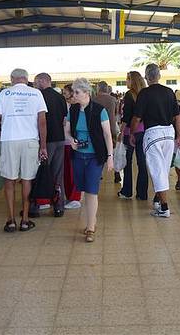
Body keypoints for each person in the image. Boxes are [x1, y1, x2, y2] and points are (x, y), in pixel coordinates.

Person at [0, 68, 48, 233]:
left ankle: (10, 220)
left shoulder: (5, 94)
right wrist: (43, 146)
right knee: (27, 179)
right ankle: (25, 220)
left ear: (12, 79)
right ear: (26, 79)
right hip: (30, 140)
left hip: (9, 140)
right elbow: (42, 122)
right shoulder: (36, 93)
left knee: (9, 180)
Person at [65, 78, 114, 242]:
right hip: (78, 155)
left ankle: (91, 226)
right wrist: (71, 139)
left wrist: (110, 157)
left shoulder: (99, 110)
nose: (74, 95)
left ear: (86, 93)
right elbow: (66, 130)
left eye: (77, 92)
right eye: (74, 92)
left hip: (95, 156)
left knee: (92, 191)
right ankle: (92, 221)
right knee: (84, 190)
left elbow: (107, 135)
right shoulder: (72, 110)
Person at [131, 64, 180, 218]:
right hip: (169, 133)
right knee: (164, 168)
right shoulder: (169, 92)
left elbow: (137, 118)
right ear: (159, 76)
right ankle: (158, 199)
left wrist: (132, 132)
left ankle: (164, 207)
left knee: (157, 169)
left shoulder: (144, 94)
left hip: (153, 134)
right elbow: (177, 116)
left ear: (146, 77)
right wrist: (179, 135)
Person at [34, 72, 68, 217]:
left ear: (43, 81)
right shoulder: (60, 97)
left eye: (36, 82)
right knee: (57, 174)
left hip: (45, 140)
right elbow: (64, 119)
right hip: (60, 139)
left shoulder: (38, 96)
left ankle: (36, 205)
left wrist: (41, 143)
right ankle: (59, 205)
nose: (35, 85)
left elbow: (39, 120)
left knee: (40, 172)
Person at [117, 71, 148, 200]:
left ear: (132, 80)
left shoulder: (130, 95)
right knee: (142, 162)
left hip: (130, 131)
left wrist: (121, 132)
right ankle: (142, 193)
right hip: (144, 131)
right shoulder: (145, 94)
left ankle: (127, 191)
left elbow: (127, 116)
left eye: (127, 79)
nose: (126, 81)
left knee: (127, 161)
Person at [93, 81, 120, 183]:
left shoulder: (94, 100)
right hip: (111, 126)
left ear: (98, 88)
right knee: (112, 150)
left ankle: (99, 173)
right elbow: (116, 113)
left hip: (97, 129)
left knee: (99, 151)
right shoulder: (113, 99)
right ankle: (116, 172)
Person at [62, 84, 82, 209]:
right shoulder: (67, 105)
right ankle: (70, 196)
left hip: (73, 142)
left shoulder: (77, 107)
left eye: (65, 92)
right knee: (67, 171)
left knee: (73, 171)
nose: (63, 95)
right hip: (65, 142)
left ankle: (75, 197)